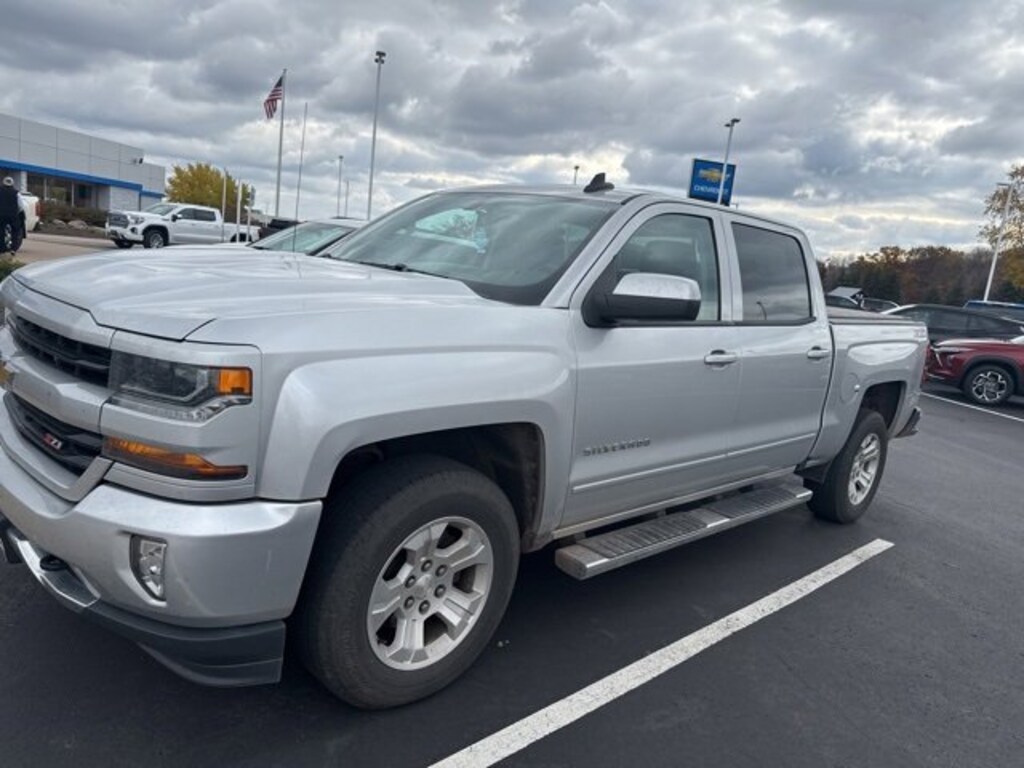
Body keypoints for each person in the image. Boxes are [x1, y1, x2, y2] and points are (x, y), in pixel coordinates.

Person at [0, 176, 21, 254]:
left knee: (1, 231)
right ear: (12, 184)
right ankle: (13, 249)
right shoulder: (16, 193)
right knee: (15, 231)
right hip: (13, 215)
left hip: (1, 215)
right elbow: (20, 205)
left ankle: (2, 249)